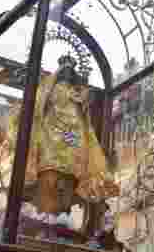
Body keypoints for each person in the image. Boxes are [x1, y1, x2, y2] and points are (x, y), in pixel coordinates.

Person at [13, 56, 118, 227]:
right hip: (53, 134)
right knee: (52, 170)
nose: (68, 73)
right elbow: (41, 103)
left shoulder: (76, 92)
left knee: (71, 171)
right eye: (65, 69)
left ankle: (62, 204)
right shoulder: (51, 87)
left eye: (71, 70)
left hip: (72, 135)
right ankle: (46, 205)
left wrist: (84, 99)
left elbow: (83, 112)